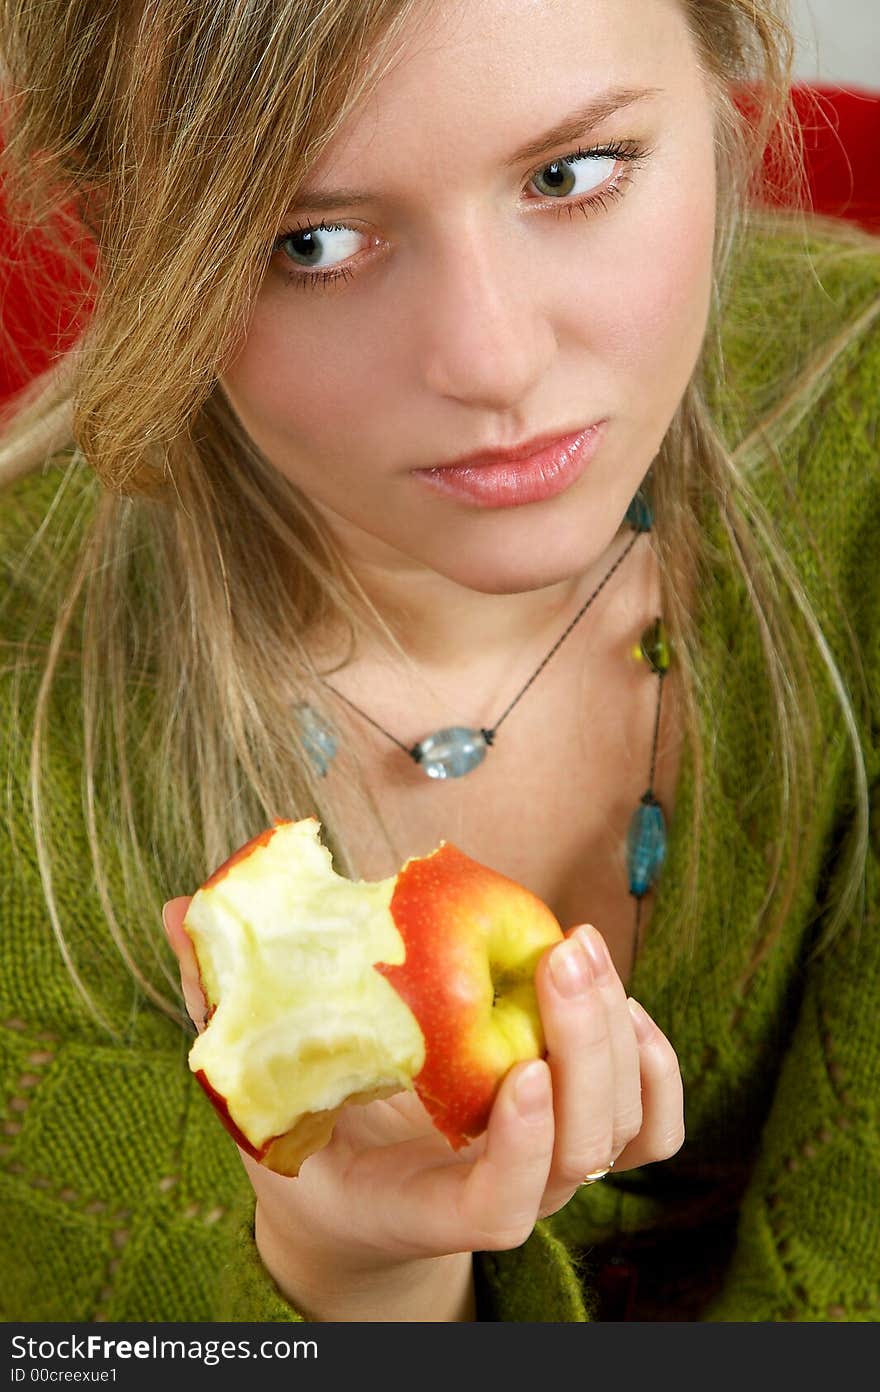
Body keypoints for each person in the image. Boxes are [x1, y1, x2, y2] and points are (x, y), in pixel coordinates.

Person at [0, 0, 877, 1324]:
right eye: (314, 242)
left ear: (724, 83)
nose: (491, 359)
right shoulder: (29, 694)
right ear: (127, 237)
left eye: (570, 175)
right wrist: (353, 1272)